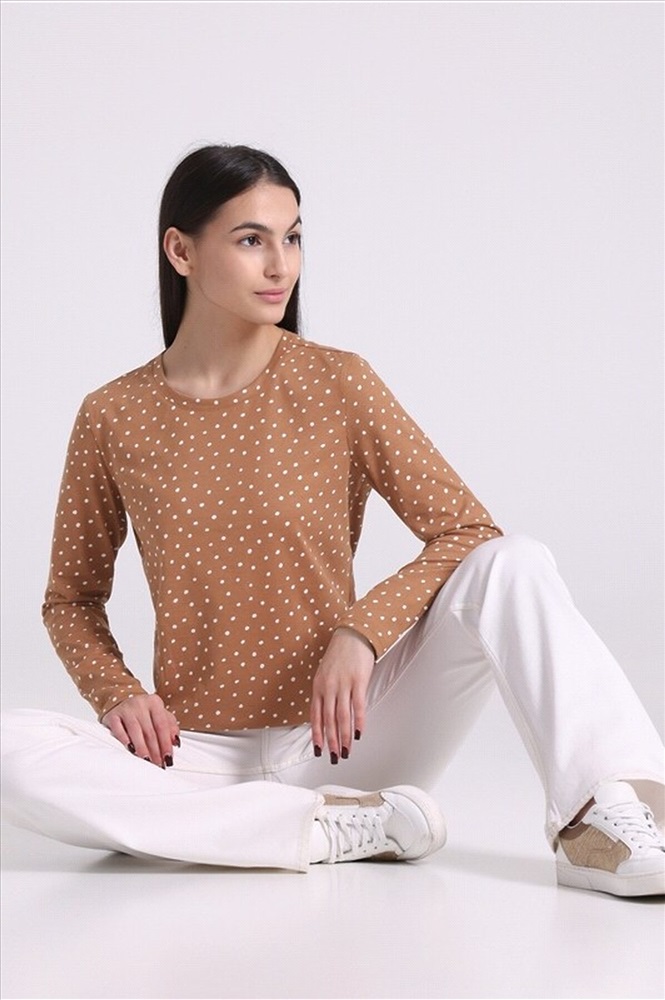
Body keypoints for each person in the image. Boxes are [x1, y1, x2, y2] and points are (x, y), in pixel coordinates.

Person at [2, 144, 663, 894]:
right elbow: (71, 599)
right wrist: (116, 691)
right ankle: (332, 829)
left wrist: (362, 631)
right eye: (251, 239)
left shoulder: (336, 382)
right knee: (11, 749)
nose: (280, 264)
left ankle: (602, 819)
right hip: (190, 757)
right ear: (181, 251)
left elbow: (468, 530)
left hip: (345, 738)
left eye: (292, 238)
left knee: (515, 561)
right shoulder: (114, 415)